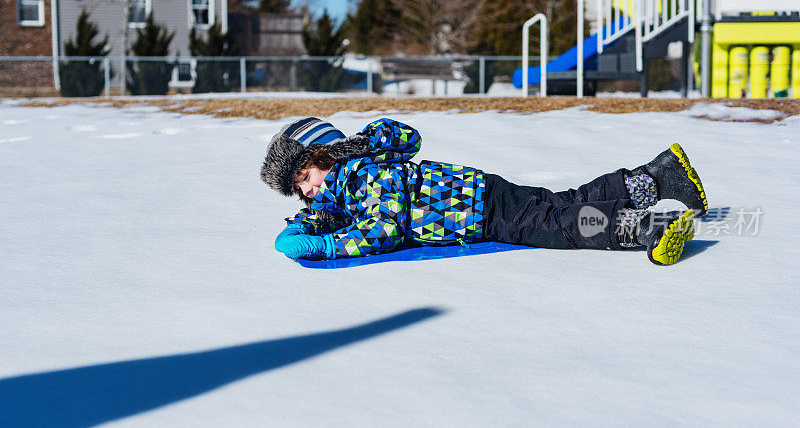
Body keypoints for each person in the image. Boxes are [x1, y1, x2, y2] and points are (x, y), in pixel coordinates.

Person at [260, 117, 707, 266]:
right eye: (299, 188)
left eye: (306, 174)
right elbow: (344, 213)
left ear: (326, 154)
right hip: (482, 193)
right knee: (565, 201)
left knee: (561, 224)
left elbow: (383, 230)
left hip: (479, 212)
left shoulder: (365, 176)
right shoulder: (348, 186)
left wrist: (327, 245)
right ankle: (659, 177)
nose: (309, 189)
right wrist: (310, 223)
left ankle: (646, 228)